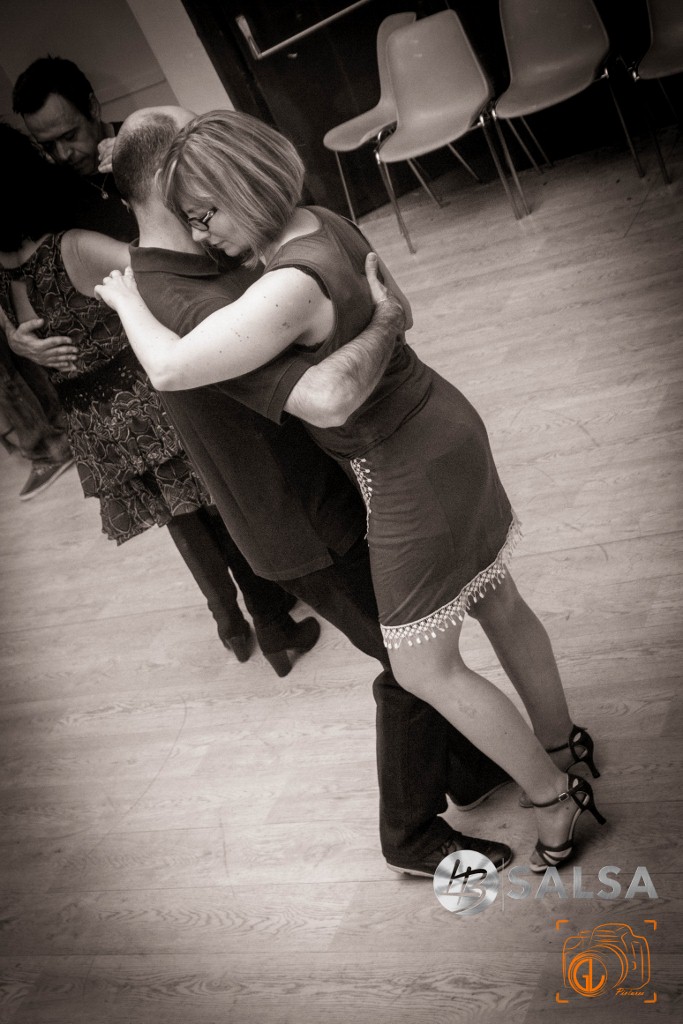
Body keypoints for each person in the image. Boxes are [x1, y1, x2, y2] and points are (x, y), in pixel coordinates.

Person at [99, 109, 607, 872]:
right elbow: (395, 312)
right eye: (192, 217)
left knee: (420, 670)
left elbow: (296, 393)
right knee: (496, 599)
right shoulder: (323, 221)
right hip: (438, 421)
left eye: (206, 213)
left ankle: (551, 798)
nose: (203, 232)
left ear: (238, 187)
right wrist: (388, 322)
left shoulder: (279, 284)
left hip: (402, 463)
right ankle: (560, 746)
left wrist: (127, 303)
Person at [0, 120, 319, 675]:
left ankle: (229, 624)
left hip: (93, 418)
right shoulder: (70, 249)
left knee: (183, 522)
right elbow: (161, 269)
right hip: (142, 399)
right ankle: (274, 625)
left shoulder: (5, 272)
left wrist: (13, 338)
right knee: (218, 505)